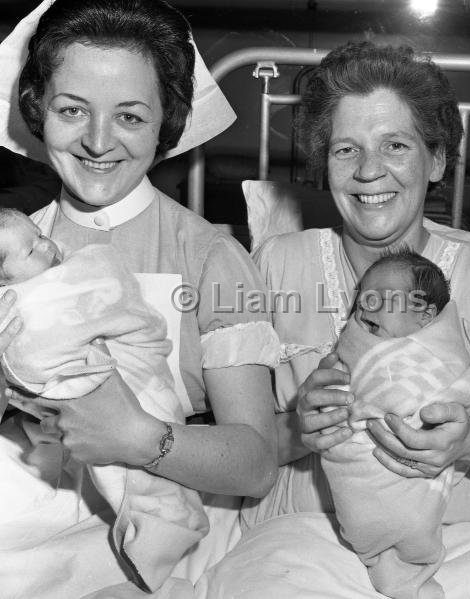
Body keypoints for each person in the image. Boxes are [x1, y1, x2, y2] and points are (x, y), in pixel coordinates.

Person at [231, 42, 470, 597]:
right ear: (325, 162)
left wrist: (469, 445)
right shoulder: (277, 264)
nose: (369, 171)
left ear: (435, 159)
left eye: (394, 145)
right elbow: (240, 448)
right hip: (303, 539)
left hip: (453, 541)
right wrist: (299, 429)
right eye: (346, 150)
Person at [0, 1, 277, 597]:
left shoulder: (214, 260)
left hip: (153, 527)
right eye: (72, 110)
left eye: (129, 116)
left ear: (165, 124)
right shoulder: (9, 247)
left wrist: (135, 434)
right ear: (37, 109)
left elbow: (256, 464)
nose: (98, 142)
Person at [0, 207, 211, 574]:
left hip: (132, 393)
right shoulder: (16, 299)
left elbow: (123, 308)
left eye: (40, 234)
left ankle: (160, 525)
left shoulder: (199, 245)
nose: (47, 245)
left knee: (133, 455)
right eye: (32, 250)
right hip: (45, 429)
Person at [321, 249, 470, 598]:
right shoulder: (355, 345)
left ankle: (408, 563)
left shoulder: (436, 357)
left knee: (411, 527)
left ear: (424, 316)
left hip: (412, 484)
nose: (365, 309)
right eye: (362, 300)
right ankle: (388, 559)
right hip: (359, 478)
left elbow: (454, 389)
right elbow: (336, 388)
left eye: (380, 300)